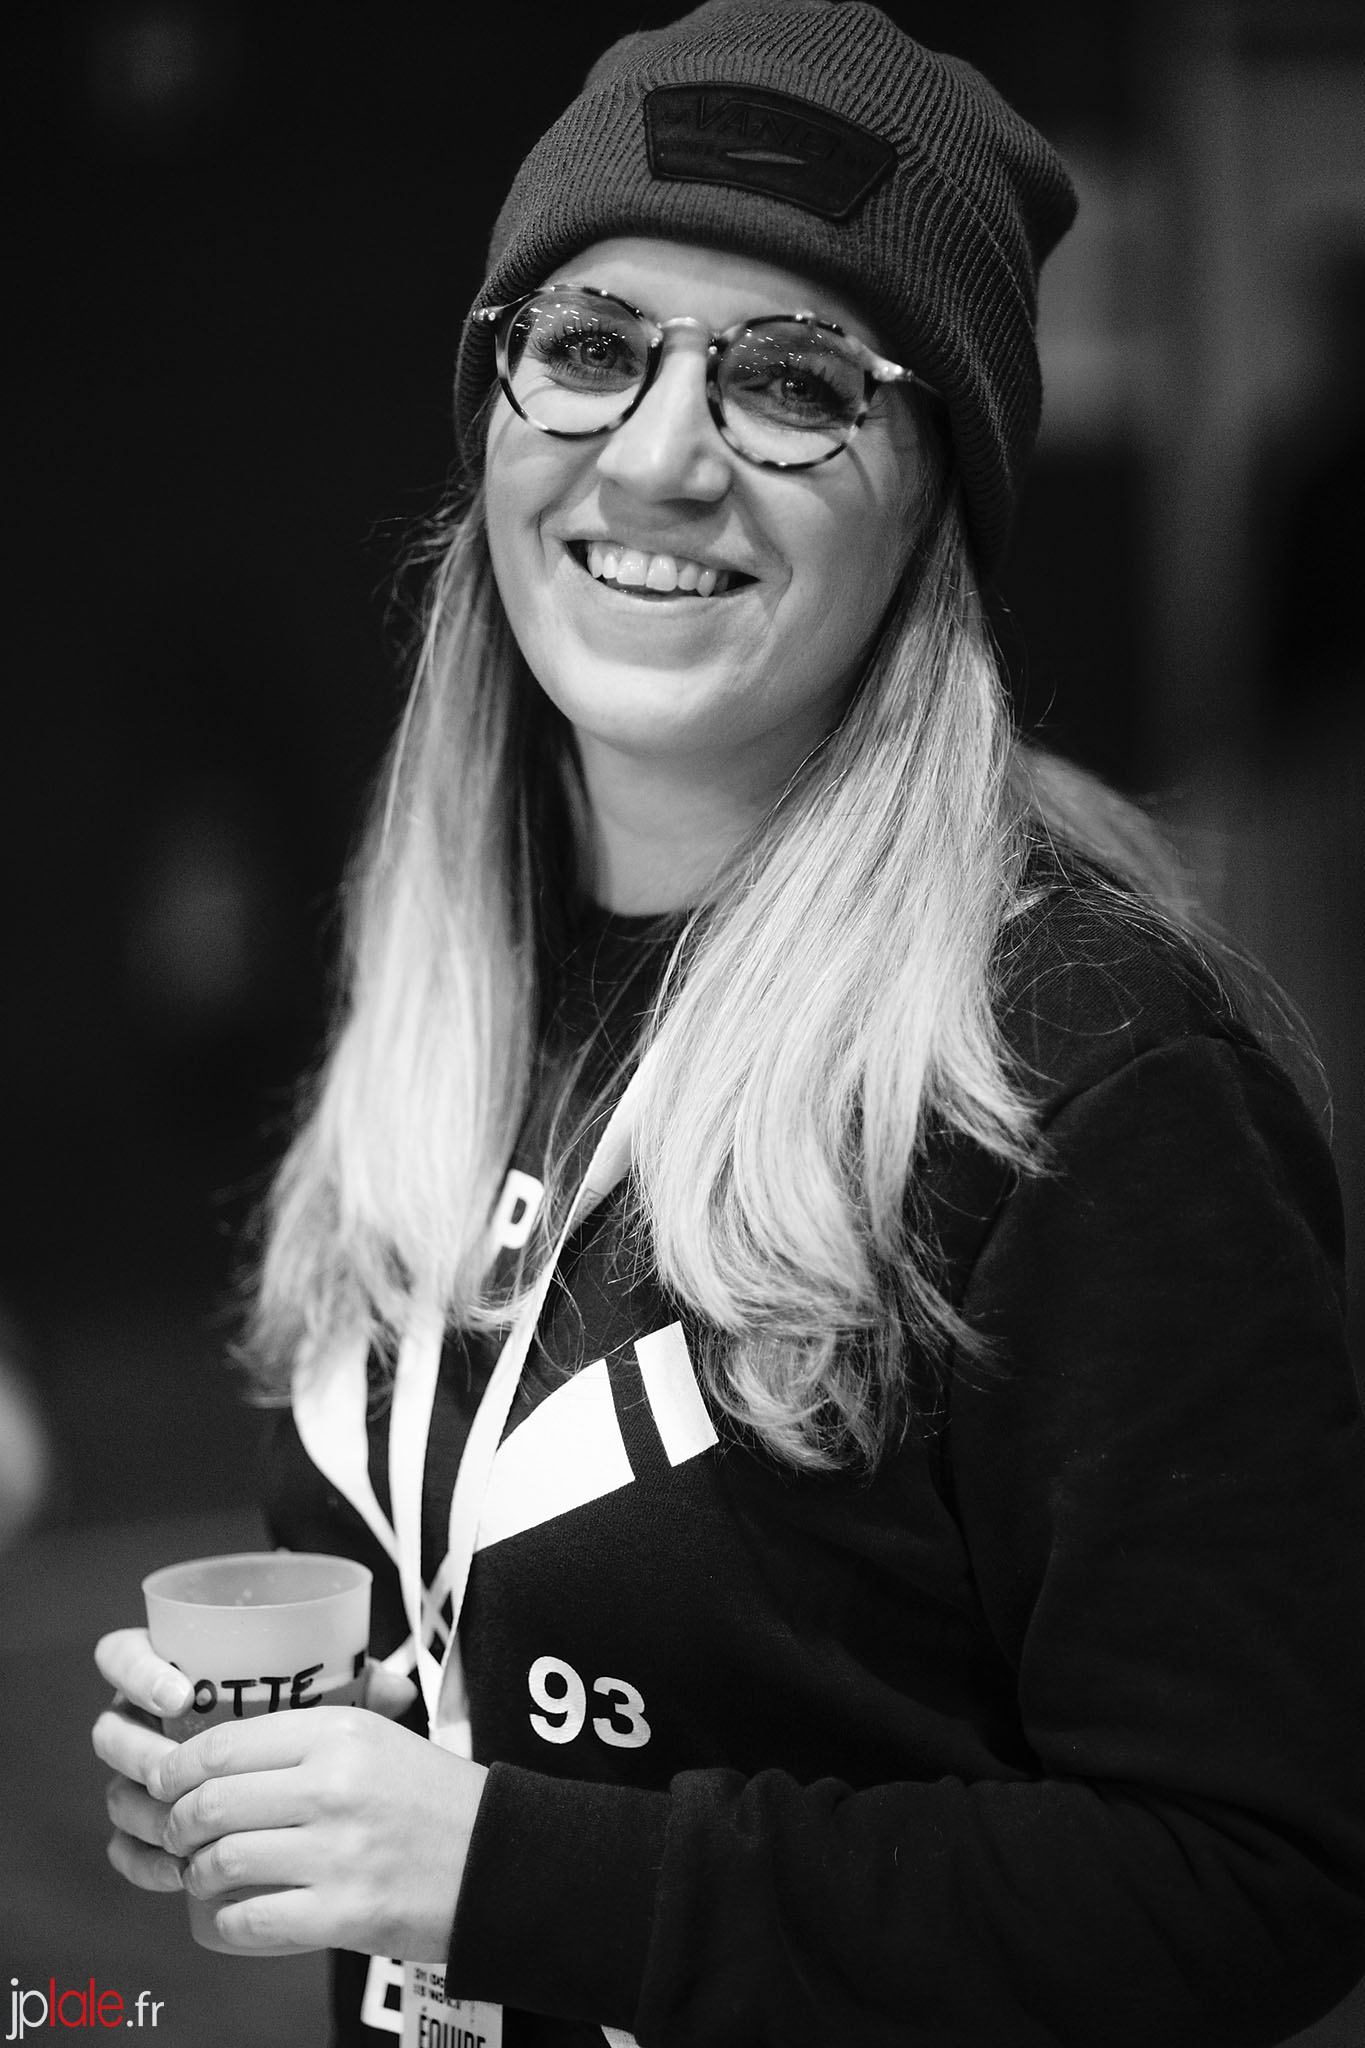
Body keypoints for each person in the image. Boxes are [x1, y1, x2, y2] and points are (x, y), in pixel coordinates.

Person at [91, 3, 1365, 2044]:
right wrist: (347, 1756)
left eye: (788, 382)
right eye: (591, 345)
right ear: (495, 407)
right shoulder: (457, 988)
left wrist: (506, 1868)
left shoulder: (1088, 1071)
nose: (659, 457)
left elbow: (1251, 1880)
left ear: (931, 498)